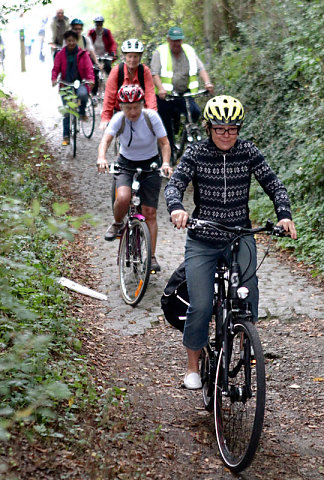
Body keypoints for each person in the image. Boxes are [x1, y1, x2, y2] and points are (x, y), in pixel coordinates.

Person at [165, 95, 297, 389]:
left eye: (233, 129)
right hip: (203, 238)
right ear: (209, 127)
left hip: (239, 236)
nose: (226, 134)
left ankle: (242, 337)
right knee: (200, 305)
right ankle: (192, 366)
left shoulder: (248, 152)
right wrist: (177, 208)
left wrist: (284, 214)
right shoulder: (196, 152)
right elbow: (175, 184)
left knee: (249, 292)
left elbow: (274, 183)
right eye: (220, 128)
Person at [97, 85, 172, 272]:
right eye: (128, 108)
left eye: (136, 107)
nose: (132, 112)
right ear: (121, 107)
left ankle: (152, 257)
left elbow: (164, 143)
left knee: (150, 213)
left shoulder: (151, 118)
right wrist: (102, 157)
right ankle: (117, 223)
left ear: (142, 104)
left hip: (151, 165)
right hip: (126, 164)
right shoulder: (118, 119)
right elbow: (105, 141)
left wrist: (166, 163)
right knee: (123, 197)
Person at [151, 26, 214, 160]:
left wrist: (207, 83)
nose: (176, 44)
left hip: (183, 94)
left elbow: (201, 68)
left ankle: (186, 132)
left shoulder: (189, 51)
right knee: (165, 125)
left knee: (195, 111)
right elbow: (154, 73)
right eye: (173, 41)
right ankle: (170, 152)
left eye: (179, 41)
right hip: (165, 97)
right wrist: (161, 88)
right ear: (168, 40)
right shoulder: (160, 52)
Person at [99, 39, 157, 130]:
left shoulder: (144, 71)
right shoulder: (117, 71)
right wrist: (106, 118)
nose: (132, 60)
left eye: (135, 56)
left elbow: (150, 95)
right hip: (121, 111)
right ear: (125, 57)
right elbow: (109, 96)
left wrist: (153, 115)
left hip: (140, 111)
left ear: (140, 57)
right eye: (130, 56)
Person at [51, 30, 95, 146]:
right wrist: (54, 79)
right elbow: (56, 68)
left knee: (83, 94)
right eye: (69, 41)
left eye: (73, 40)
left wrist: (90, 79)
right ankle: (66, 136)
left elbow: (89, 68)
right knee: (66, 110)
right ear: (66, 41)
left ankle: (81, 112)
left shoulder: (83, 54)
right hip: (65, 84)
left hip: (79, 82)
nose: (71, 43)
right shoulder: (60, 54)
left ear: (76, 41)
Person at [88, 15, 117, 81]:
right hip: (94, 55)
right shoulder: (91, 32)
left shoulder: (107, 32)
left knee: (108, 67)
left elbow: (112, 43)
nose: (98, 26)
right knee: (93, 71)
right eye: (97, 24)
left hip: (105, 55)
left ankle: (112, 83)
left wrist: (113, 52)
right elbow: (87, 44)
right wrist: (88, 54)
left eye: (100, 24)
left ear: (102, 24)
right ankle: (94, 90)